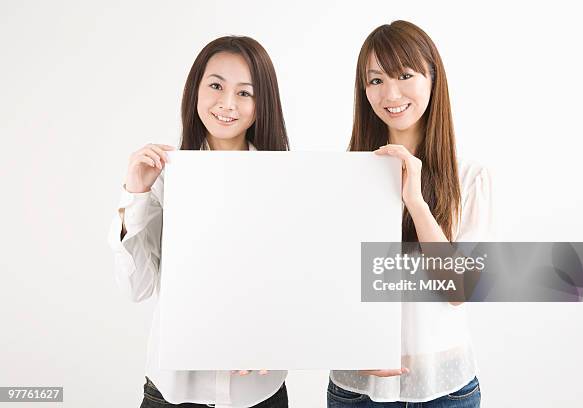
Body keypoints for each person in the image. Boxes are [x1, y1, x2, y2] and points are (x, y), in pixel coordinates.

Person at [107, 35, 290, 408]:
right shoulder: (163, 176)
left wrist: (272, 336)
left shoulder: (286, 181)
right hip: (174, 391)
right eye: (216, 86)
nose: (227, 104)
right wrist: (135, 194)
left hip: (257, 391)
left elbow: (297, 285)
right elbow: (136, 287)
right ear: (195, 91)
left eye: (244, 93)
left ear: (261, 103)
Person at [327, 20, 493, 407]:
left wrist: (416, 201)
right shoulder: (342, 177)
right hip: (356, 387)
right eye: (375, 80)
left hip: (444, 387)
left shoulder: (469, 178)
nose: (391, 93)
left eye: (405, 75)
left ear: (433, 79)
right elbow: (325, 282)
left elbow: (460, 292)